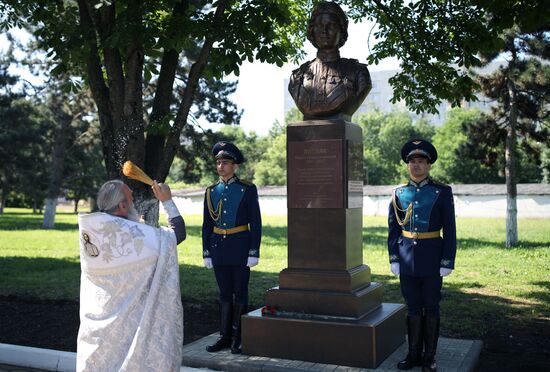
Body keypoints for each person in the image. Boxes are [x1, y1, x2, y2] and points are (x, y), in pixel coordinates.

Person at [77, 179, 186, 371]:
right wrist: (167, 200)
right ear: (122, 205)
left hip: (98, 329)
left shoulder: (91, 230)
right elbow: (177, 234)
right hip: (131, 324)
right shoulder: (132, 234)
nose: (134, 202)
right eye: (131, 198)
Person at [388, 139, 457, 372]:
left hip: (432, 257)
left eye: (421, 161)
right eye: (413, 162)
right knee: (413, 307)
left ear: (428, 165)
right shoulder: (398, 193)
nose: (416, 165)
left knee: (431, 306)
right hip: (406, 258)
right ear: (408, 166)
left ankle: (430, 357)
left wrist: (447, 260)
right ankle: (413, 353)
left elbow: (450, 228)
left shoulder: (442, 192)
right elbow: (393, 229)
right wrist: (394, 258)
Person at [202, 141, 262, 354]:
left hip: (240, 247)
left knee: (241, 292)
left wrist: (253, 251)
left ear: (234, 166)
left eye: (225, 162)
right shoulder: (211, 191)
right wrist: (206, 252)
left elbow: (256, 222)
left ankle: (238, 337)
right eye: (218, 162)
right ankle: (224, 337)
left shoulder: (247, 189)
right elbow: (207, 224)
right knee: (224, 294)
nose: (221, 166)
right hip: (219, 248)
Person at [288, 1, 371, 120]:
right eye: (319, 26)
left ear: (341, 30)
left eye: (331, 25)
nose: (324, 31)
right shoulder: (297, 76)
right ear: (312, 30)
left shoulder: (358, 73)